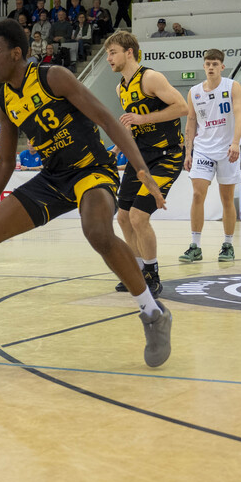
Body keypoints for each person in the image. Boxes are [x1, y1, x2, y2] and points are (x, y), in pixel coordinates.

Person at [0, 20, 171, 366]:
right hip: (52, 178)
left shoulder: (53, 77)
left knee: (96, 231)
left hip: (92, 169)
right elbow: (5, 163)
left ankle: (153, 314)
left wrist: (141, 170)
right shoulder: (4, 99)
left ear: (16, 53)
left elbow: (108, 120)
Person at [105, 31, 186, 296]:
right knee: (123, 216)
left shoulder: (151, 78)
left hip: (166, 156)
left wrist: (144, 119)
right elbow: (132, 124)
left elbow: (182, 107)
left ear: (129, 52)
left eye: (112, 52)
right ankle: (138, 272)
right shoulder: (121, 88)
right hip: (139, 157)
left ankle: (152, 274)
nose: (109, 58)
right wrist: (118, 146)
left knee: (139, 217)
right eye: (107, 54)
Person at [181, 49, 241, 263]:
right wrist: (188, 152)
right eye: (208, 63)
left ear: (222, 67)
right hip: (203, 149)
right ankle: (195, 246)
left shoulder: (232, 86)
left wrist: (235, 142)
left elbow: (240, 115)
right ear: (203, 66)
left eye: (215, 64)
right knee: (197, 195)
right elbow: (191, 122)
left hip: (228, 149)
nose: (211, 67)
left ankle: (227, 244)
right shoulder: (194, 91)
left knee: (226, 199)